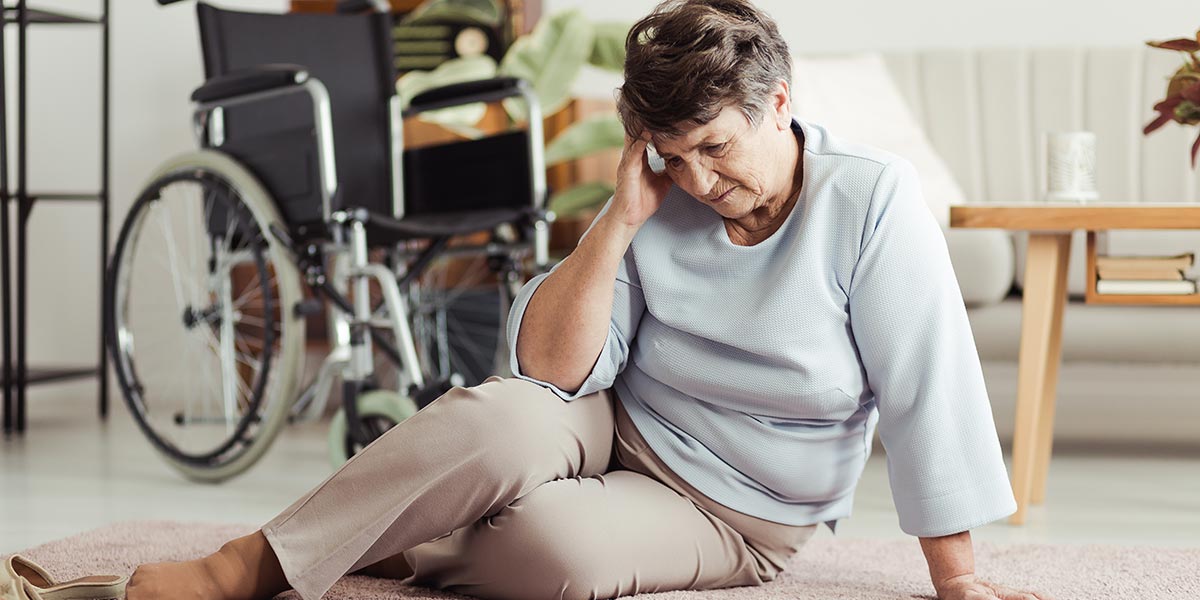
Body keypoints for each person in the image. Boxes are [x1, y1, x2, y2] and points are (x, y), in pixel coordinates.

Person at [125, 1, 1053, 599]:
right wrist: (617, 221)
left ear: (779, 106)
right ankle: (247, 563)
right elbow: (551, 376)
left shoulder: (870, 199)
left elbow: (929, 389)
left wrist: (958, 578)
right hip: (612, 419)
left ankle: (403, 529)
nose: (698, 180)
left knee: (547, 554)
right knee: (494, 421)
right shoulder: (658, 194)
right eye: (672, 154)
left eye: (717, 148)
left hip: (740, 508)